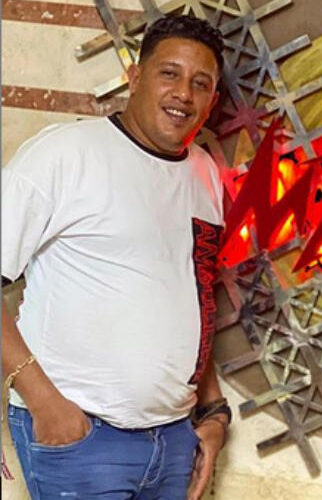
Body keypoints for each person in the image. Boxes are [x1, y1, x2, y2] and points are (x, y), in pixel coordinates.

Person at [2, 15, 232, 500]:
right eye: (169, 73)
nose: (183, 93)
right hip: (82, 438)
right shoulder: (65, 154)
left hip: (175, 440)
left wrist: (213, 413)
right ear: (135, 76)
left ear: (212, 100)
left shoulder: (205, 174)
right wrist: (45, 403)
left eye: (200, 83)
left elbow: (195, 297)